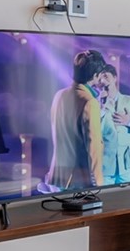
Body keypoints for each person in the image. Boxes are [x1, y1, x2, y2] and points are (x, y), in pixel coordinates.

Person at [45, 50, 109, 192]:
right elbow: (93, 147)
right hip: (77, 182)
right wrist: (99, 183)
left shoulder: (59, 95)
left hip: (57, 177)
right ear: (95, 75)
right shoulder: (89, 102)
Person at [99, 64, 130, 185]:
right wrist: (102, 107)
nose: (103, 81)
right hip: (105, 166)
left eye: (106, 76)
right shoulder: (95, 104)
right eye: (100, 78)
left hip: (127, 164)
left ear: (115, 78)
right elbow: (92, 132)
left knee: (129, 196)